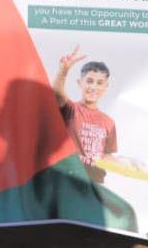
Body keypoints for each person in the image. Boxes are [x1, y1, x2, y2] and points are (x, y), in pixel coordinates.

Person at [51, 46, 119, 184]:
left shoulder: (109, 122)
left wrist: (124, 164)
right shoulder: (71, 109)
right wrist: (63, 71)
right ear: (79, 83)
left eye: (99, 83)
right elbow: (57, 95)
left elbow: (106, 154)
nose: (93, 87)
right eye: (89, 81)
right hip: (70, 179)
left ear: (106, 87)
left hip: (95, 184)